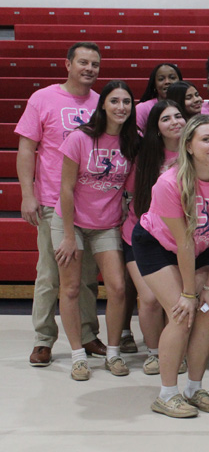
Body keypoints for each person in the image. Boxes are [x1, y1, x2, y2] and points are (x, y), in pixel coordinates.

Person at [133, 114, 209, 417]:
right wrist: (188, 293)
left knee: (208, 313)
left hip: (205, 247)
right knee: (181, 314)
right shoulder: (169, 182)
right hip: (159, 247)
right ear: (188, 145)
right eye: (206, 139)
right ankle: (167, 394)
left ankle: (194, 388)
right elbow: (183, 241)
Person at [16, 42, 106, 368]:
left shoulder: (101, 103)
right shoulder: (43, 98)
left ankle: (86, 333)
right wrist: (28, 194)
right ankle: (43, 339)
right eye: (83, 62)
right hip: (54, 201)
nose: (89, 69)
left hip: (91, 204)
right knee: (50, 274)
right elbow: (27, 149)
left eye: (94, 64)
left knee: (86, 275)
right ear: (67, 64)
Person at [53, 80, 139, 380]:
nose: (121, 107)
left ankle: (113, 353)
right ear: (103, 104)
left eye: (126, 102)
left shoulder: (132, 142)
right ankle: (78, 356)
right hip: (71, 222)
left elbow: (130, 190)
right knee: (71, 288)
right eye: (114, 101)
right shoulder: (80, 138)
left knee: (117, 287)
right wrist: (66, 234)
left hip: (107, 225)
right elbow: (65, 188)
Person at [123, 100, 187, 375]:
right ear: (156, 129)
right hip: (142, 236)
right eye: (166, 119)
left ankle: (175, 351)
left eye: (178, 116)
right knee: (148, 299)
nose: (174, 122)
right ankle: (153, 352)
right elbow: (134, 201)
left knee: (178, 302)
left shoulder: (195, 154)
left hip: (181, 240)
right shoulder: (146, 157)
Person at [136, 63, 183, 129]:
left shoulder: (188, 105)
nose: (167, 82)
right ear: (154, 85)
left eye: (172, 78)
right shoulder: (143, 108)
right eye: (161, 79)